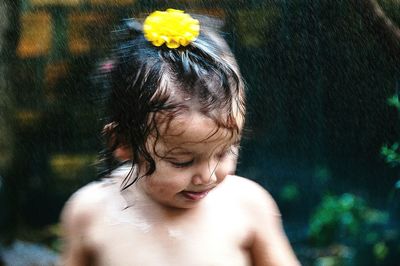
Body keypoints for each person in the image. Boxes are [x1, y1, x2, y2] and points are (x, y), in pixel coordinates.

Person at [61, 9, 300, 266]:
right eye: (183, 161)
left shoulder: (247, 207)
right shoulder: (91, 213)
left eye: (224, 152)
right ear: (123, 143)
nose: (208, 176)